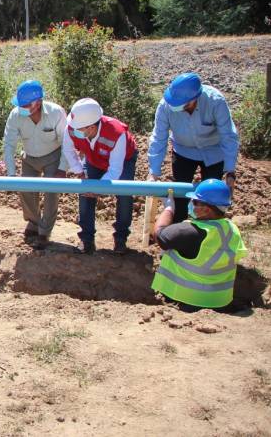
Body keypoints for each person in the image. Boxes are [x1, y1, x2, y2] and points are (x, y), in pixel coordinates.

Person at [147, 72, 239, 223]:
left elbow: (228, 136)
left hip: (213, 153)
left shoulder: (215, 101)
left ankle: (207, 236)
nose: (178, 108)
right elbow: (158, 137)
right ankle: (178, 234)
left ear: (194, 98)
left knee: (209, 200)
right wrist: (154, 172)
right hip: (183, 151)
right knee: (180, 197)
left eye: (183, 105)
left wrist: (230, 172)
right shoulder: (166, 106)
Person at [151, 179, 247, 311]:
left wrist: (168, 209)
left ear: (207, 210)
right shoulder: (231, 229)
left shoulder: (189, 231)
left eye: (195, 202)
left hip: (188, 302)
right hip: (220, 301)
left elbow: (159, 234)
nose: (191, 204)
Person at [62, 98, 138, 255]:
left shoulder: (117, 134)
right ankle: (87, 239)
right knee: (85, 193)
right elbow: (68, 151)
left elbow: (115, 169)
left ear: (91, 128)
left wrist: (99, 189)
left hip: (124, 160)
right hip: (93, 159)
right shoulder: (72, 127)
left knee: (124, 195)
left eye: (78, 129)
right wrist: (80, 173)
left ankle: (121, 238)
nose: (72, 130)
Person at [0, 80, 68, 249]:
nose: (21, 107)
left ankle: (45, 231)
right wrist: (11, 173)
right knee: (26, 189)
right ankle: (34, 222)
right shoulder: (15, 115)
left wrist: (62, 168)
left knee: (51, 193)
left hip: (53, 156)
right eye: (20, 104)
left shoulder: (56, 113)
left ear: (38, 103)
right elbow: (9, 144)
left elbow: (67, 142)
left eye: (26, 104)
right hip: (29, 156)